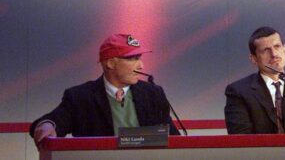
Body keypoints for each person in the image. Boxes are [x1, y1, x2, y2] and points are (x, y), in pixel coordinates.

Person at [29, 33, 179, 148]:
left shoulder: (153, 93)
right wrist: (47, 125)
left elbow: (173, 138)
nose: (141, 66)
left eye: (139, 58)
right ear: (110, 63)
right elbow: (54, 121)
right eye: (132, 59)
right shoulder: (80, 97)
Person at [224, 26, 285, 133]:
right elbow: (241, 139)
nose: (274, 54)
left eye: (277, 47)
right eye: (266, 50)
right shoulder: (238, 91)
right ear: (253, 59)